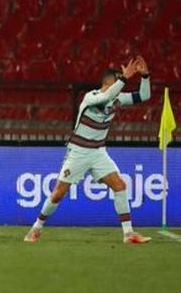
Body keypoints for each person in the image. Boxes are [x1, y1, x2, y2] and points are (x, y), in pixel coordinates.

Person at [24, 56, 152, 244]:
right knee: (59, 192)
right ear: (110, 82)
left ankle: (128, 234)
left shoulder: (118, 98)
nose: (122, 85)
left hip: (98, 152)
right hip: (78, 152)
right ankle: (36, 228)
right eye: (119, 80)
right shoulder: (91, 97)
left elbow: (144, 95)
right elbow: (106, 97)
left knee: (120, 185)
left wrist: (146, 76)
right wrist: (124, 78)